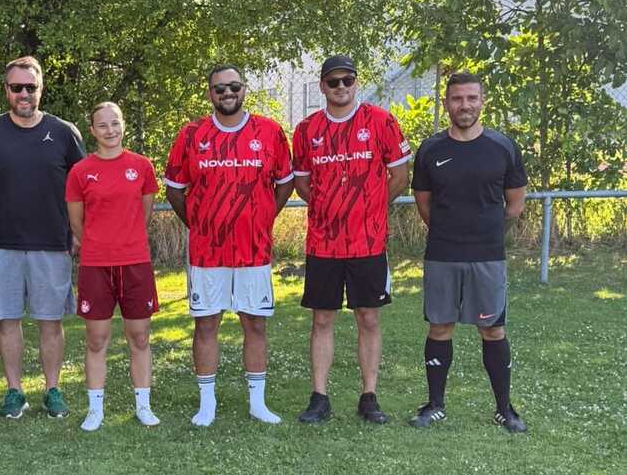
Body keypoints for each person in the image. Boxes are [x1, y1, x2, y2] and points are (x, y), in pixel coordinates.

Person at [164, 64, 295, 426]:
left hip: (254, 251)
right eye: (219, 88)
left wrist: (263, 217)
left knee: (255, 324)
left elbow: (285, 182)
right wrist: (199, 223)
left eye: (234, 86)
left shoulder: (269, 131)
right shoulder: (192, 134)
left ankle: (258, 403)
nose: (227, 93)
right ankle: (207, 404)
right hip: (207, 253)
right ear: (210, 93)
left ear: (244, 89)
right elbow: (174, 190)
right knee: (206, 325)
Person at [291, 55, 410, 424]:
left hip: (367, 243)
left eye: (347, 80)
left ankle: (369, 396)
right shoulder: (307, 129)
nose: (341, 87)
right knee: (322, 319)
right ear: (323, 86)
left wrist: (369, 208)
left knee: (368, 317)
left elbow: (400, 175)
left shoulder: (381, 121)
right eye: (333, 81)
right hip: (323, 242)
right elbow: (302, 182)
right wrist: (329, 208)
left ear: (356, 82)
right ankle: (319, 397)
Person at [409, 71, 528, 432]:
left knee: (492, 329)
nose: (465, 105)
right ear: (446, 103)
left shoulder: (502, 147)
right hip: (442, 254)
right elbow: (424, 204)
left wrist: (485, 232)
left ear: (482, 101)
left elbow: (515, 205)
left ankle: (504, 409)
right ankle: (435, 405)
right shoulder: (431, 150)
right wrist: (452, 231)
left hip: (488, 256)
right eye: (457, 98)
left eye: (471, 98)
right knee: (440, 327)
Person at [0, 56, 85, 419]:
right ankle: (14, 391)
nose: (24, 94)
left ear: (41, 89)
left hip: (51, 244)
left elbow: (82, 189)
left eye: (30, 87)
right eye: (17, 87)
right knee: (7, 321)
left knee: (51, 321)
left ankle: (52, 390)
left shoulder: (64, 132)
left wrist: (78, 232)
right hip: (0, 244)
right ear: (6, 90)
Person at [66, 102, 161, 432]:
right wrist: (100, 244)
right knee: (96, 339)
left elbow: (144, 213)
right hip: (96, 265)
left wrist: (126, 240)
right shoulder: (80, 171)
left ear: (123, 125)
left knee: (140, 337)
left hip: (136, 263)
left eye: (115, 123)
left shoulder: (141, 166)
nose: (110, 130)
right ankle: (95, 410)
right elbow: (76, 223)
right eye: (103, 125)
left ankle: (144, 406)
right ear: (92, 130)